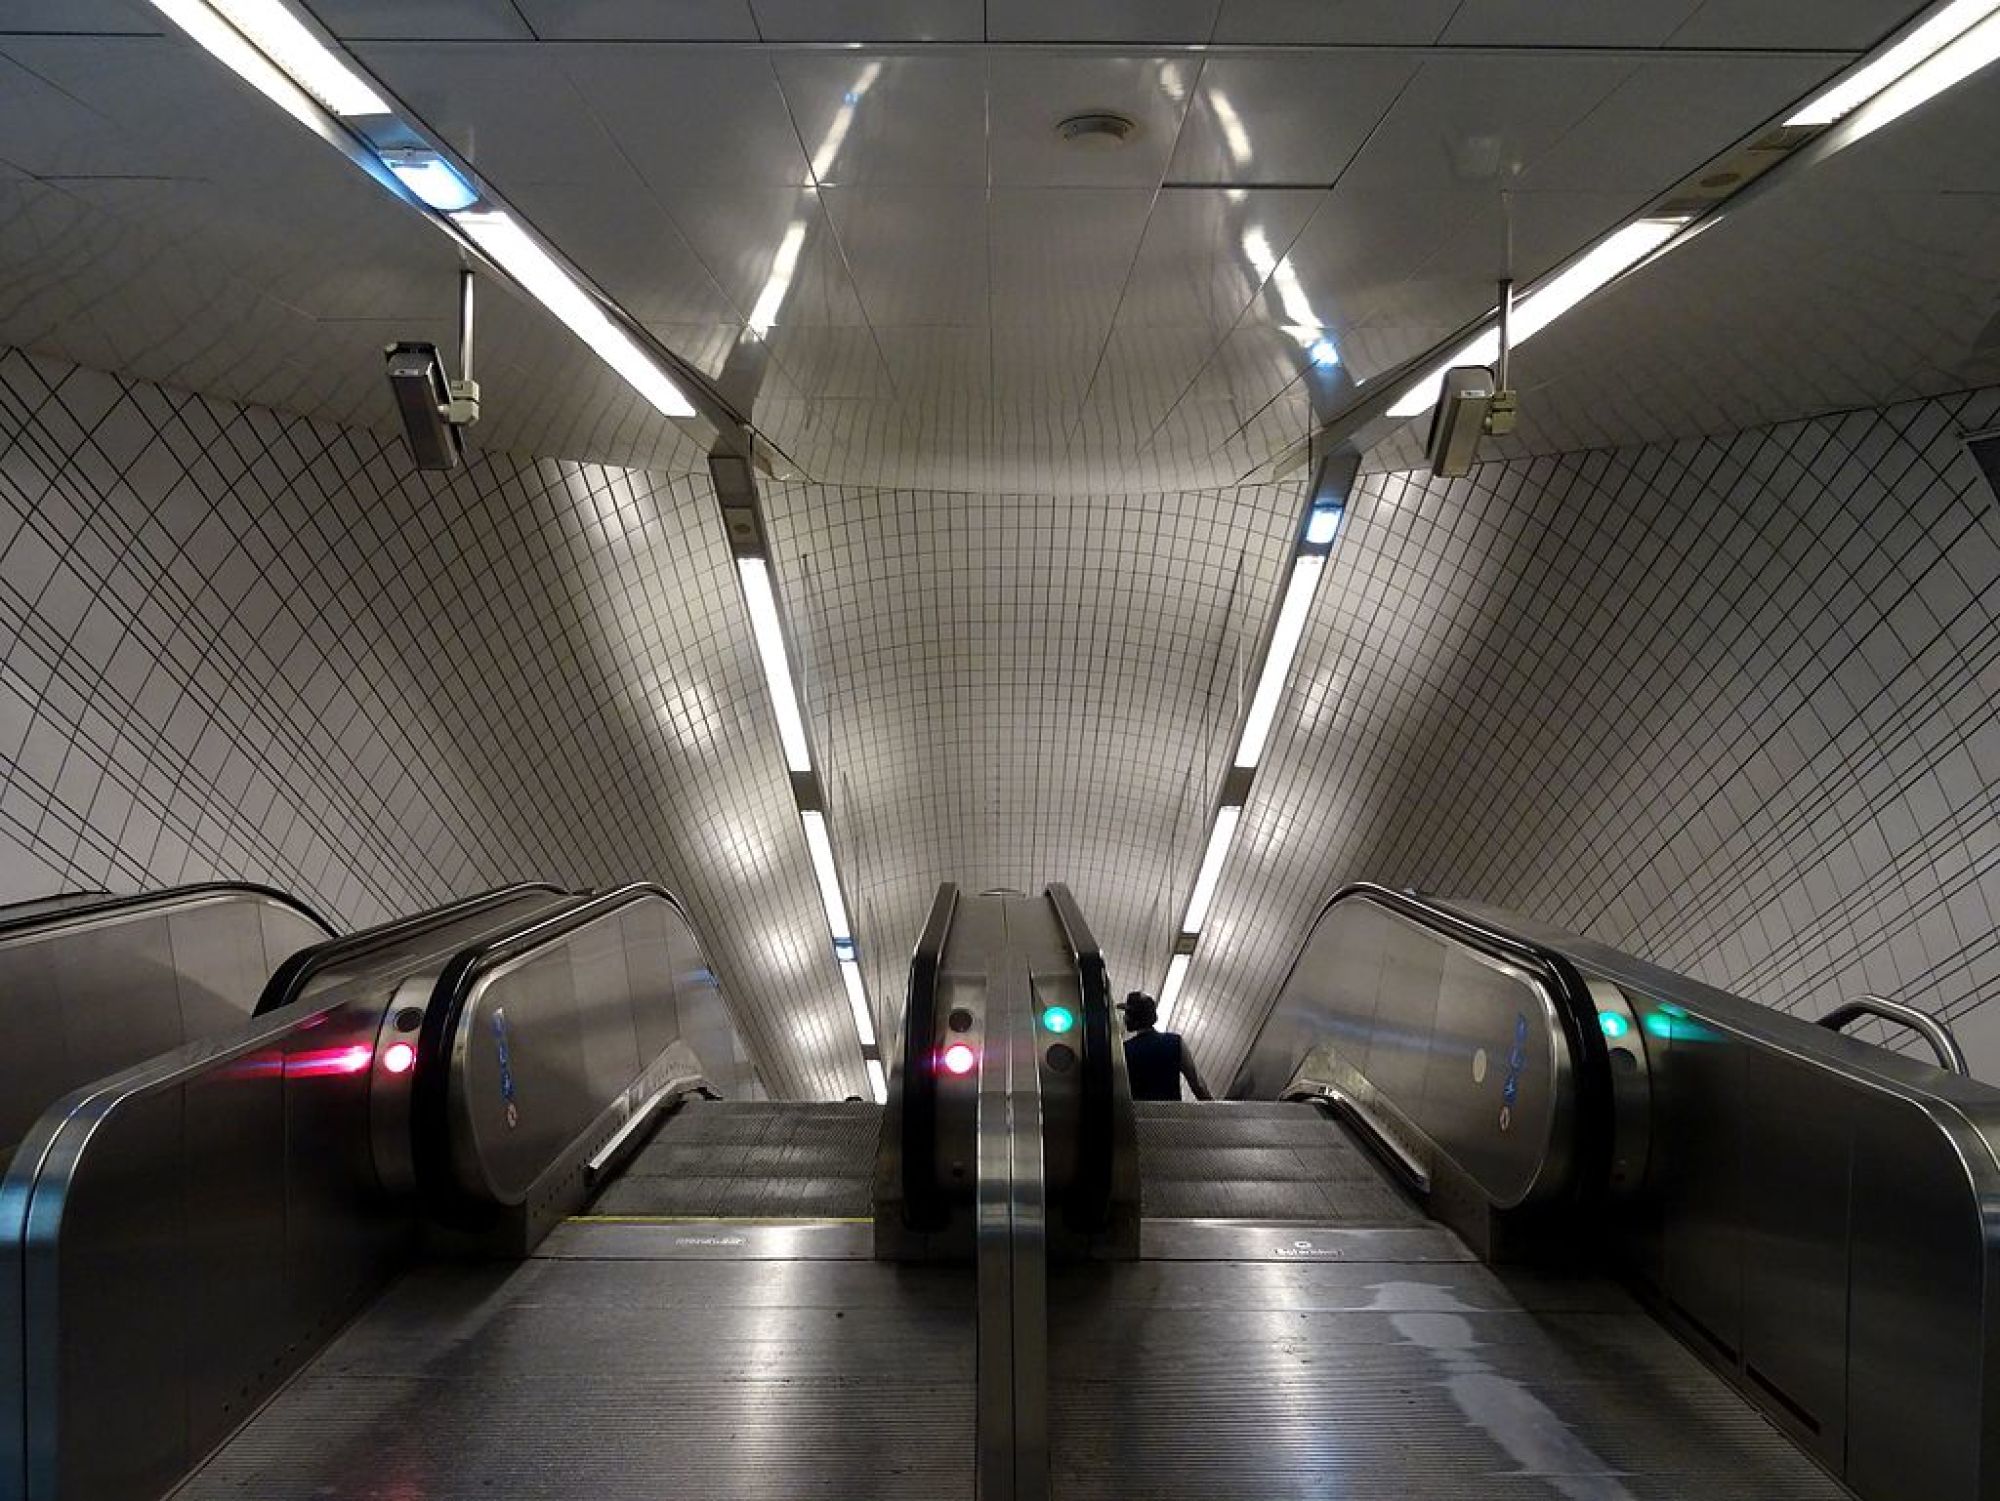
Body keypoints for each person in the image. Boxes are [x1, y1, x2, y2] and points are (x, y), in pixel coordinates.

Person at [1120, 990, 1212, 1101]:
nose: (1124, 1018)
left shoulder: (1124, 1051)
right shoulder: (1175, 1042)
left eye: (1127, 1014)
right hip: (1171, 1116)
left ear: (1133, 1017)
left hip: (1138, 1116)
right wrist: (1216, 1113)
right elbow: (1198, 1085)